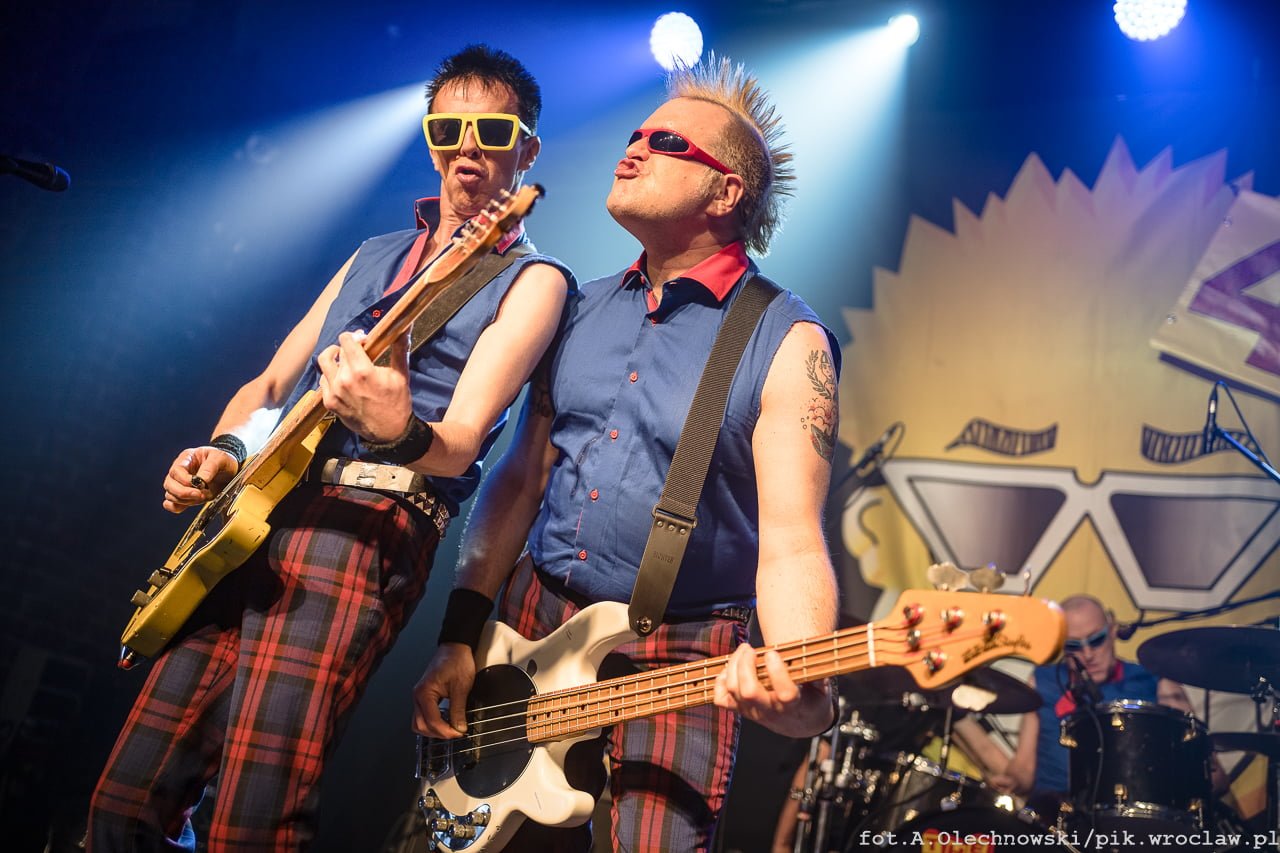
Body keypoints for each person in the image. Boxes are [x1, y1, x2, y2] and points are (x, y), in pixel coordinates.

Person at [88, 44, 573, 852]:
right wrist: (222, 452)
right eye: (447, 129)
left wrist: (398, 427)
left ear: (527, 151)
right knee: (124, 799)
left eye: (492, 130)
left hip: (365, 527)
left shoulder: (535, 279)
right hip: (259, 509)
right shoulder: (373, 254)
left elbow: (459, 446)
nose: (467, 148)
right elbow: (270, 385)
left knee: (256, 812)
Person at [413, 55, 841, 852]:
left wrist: (798, 672)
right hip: (529, 625)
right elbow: (520, 480)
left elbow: (791, 540)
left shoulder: (788, 340)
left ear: (726, 192)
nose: (634, 148)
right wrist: (461, 632)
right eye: (636, 134)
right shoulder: (577, 306)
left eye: (667, 142)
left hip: (681, 650)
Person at [990, 594, 1199, 806]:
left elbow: (1200, 767)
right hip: (1052, 811)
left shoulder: (1154, 680)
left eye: (1096, 640)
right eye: (1073, 646)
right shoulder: (1042, 681)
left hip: (1131, 810)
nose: (1088, 654)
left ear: (1113, 629)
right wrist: (1013, 781)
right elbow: (1024, 767)